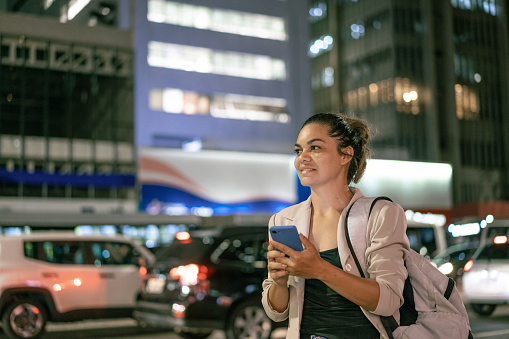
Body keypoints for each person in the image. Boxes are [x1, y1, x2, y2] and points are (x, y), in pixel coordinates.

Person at [261, 113, 410, 339]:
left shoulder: (380, 214)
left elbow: (388, 300)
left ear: (346, 155)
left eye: (315, 148)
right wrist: (279, 282)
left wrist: (319, 269)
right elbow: (277, 313)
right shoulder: (283, 220)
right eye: (298, 150)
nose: (303, 158)